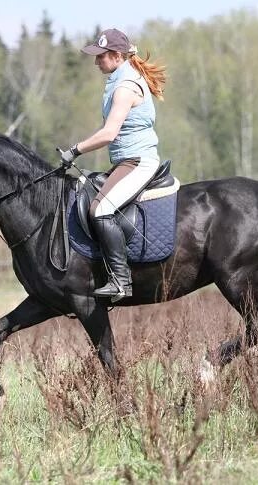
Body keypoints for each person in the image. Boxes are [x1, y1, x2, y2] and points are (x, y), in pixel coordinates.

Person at [58, 28, 166, 301]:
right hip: (125, 162)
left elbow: (109, 133)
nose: (96, 62)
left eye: (101, 57)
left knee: (101, 209)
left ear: (117, 56)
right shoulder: (120, 79)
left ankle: (121, 280)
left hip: (138, 162)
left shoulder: (125, 87)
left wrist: (75, 150)